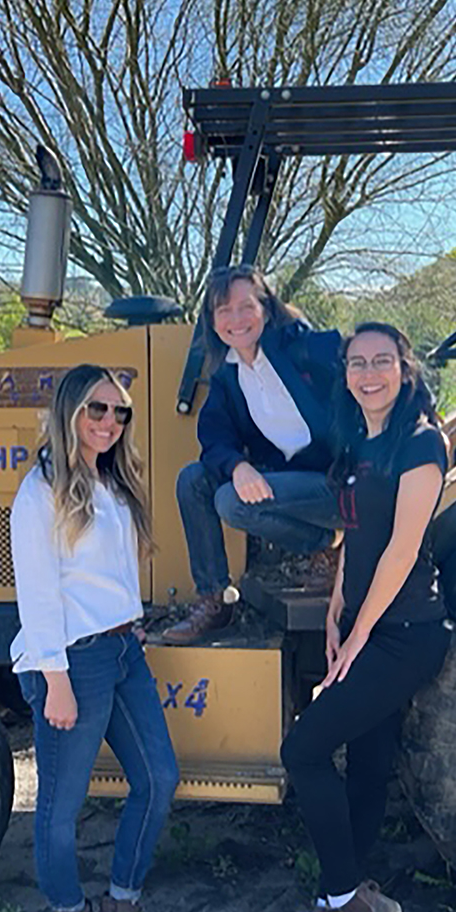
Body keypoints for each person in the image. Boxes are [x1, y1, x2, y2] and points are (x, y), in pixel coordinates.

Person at [259, 322, 452, 912]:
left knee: (304, 749)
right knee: (367, 764)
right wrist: (338, 608)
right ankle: (341, 899)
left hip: (407, 632)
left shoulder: (423, 441)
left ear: (405, 367)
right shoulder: (354, 439)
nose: (369, 372)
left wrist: (363, 630)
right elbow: (354, 533)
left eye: (383, 361)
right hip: (366, 623)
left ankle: (350, 904)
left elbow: (401, 549)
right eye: (358, 362)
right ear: (346, 371)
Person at [10, 364, 182, 912]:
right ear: (70, 412)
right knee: (62, 803)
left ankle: (122, 907)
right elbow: (37, 592)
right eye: (97, 410)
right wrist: (54, 679)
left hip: (120, 651)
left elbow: (107, 572)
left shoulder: (109, 483)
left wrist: (129, 618)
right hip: (72, 663)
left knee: (159, 777)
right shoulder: (40, 491)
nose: (109, 422)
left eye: (119, 412)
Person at [164, 266, 344, 644]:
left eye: (245, 306)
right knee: (193, 480)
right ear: (211, 322)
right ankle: (215, 599)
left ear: (266, 307)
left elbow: (371, 370)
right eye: (223, 310)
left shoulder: (306, 348)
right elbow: (214, 436)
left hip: (338, 484)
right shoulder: (228, 373)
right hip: (289, 483)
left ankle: (325, 546)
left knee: (231, 502)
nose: (236, 319)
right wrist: (238, 465)